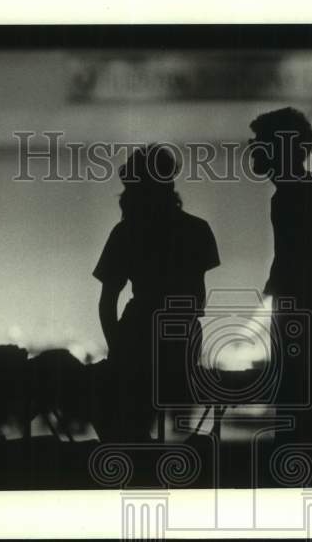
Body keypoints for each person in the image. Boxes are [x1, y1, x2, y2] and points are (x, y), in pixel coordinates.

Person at [93, 145, 220, 441]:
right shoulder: (197, 230)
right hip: (183, 338)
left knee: (123, 423)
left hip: (136, 334)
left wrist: (117, 348)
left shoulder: (125, 233)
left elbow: (107, 300)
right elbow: (197, 300)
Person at [248, 107, 312, 442]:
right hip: (305, 320)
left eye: (260, 142)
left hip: (300, 324)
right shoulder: (309, 195)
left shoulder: (294, 198)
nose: (252, 149)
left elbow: (309, 268)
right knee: (302, 420)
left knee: (295, 426)